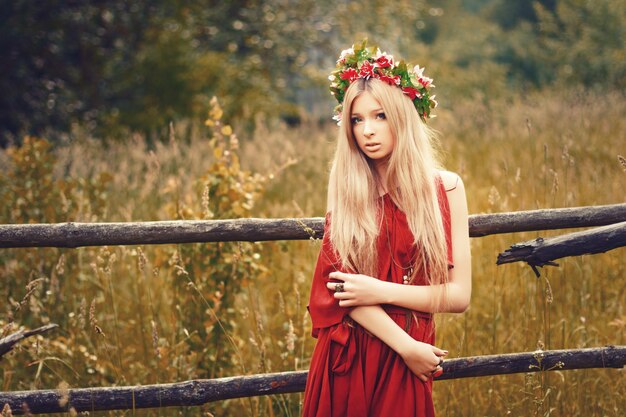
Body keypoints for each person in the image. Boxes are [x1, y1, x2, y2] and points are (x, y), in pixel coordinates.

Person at [302, 40, 472, 417]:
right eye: (357, 120)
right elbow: (338, 293)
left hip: (411, 350)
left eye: (379, 116)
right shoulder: (348, 188)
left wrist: (378, 290)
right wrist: (404, 345)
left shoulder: (445, 188)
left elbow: (458, 296)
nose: (368, 131)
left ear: (403, 117)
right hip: (349, 354)